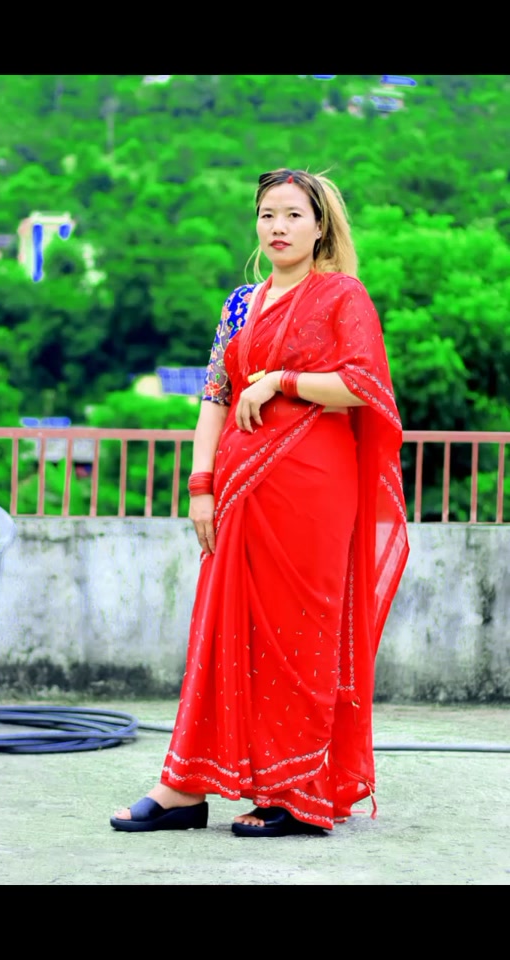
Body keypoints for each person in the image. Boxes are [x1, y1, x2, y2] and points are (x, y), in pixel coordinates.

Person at [110, 167, 410, 837]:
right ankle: (184, 788)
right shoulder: (241, 304)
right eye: (268, 214)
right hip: (240, 488)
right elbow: (215, 395)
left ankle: (296, 793)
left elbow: (364, 387)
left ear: (319, 227)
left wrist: (280, 379)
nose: (278, 226)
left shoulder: (341, 297)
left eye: (293, 215)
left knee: (300, 636)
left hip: (313, 490)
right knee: (221, 632)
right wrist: (201, 484)